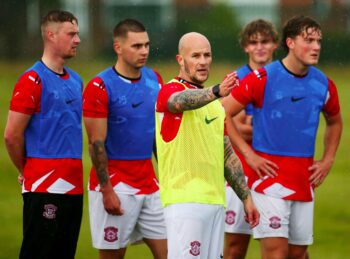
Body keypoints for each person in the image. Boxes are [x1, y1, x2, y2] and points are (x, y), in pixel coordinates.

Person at [222, 15, 342, 259]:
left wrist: (327, 160)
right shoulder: (262, 78)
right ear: (290, 42)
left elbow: (335, 121)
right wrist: (250, 156)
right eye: (309, 40)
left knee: (297, 254)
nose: (316, 46)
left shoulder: (324, 84)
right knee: (273, 253)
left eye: (319, 40)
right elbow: (222, 113)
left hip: (304, 180)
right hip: (268, 179)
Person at [155, 32, 260, 259]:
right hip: (185, 203)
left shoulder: (215, 106)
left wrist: (246, 198)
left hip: (215, 201)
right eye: (195, 56)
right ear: (180, 60)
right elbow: (179, 102)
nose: (203, 61)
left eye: (207, 55)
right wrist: (216, 91)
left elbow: (226, 152)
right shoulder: (170, 90)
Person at [83, 19, 167, 259]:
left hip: (150, 183)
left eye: (147, 45)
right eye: (137, 46)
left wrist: (168, 175)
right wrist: (106, 189)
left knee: (171, 252)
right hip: (116, 184)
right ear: (118, 48)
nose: (144, 51)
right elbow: (95, 143)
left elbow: (156, 136)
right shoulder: (100, 86)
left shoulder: (155, 80)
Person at [4, 10, 83, 259]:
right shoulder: (32, 80)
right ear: (51, 35)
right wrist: (26, 170)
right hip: (44, 184)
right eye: (71, 34)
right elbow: (11, 136)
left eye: (77, 34)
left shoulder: (76, 81)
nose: (78, 40)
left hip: (74, 185)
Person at [224, 19, 278, 259]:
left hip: (275, 169)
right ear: (245, 46)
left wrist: (249, 125)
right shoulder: (236, 80)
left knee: (290, 249)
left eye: (265, 41)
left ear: (275, 44)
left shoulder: (282, 77)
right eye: (253, 42)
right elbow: (226, 125)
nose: (259, 47)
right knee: (236, 246)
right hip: (241, 169)